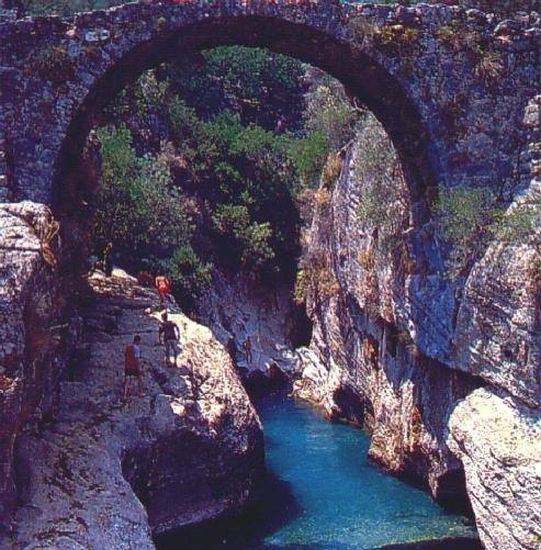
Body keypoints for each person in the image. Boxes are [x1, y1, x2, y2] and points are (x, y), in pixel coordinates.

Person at [123, 335, 144, 402]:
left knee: (127, 380)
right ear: (138, 341)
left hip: (127, 366)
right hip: (134, 366)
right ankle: (141, 392)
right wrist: (139, 367)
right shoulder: (136, 348)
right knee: (140, 378)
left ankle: (125, 395)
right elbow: (136, 359)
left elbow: (126, 355)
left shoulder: (128, 347)